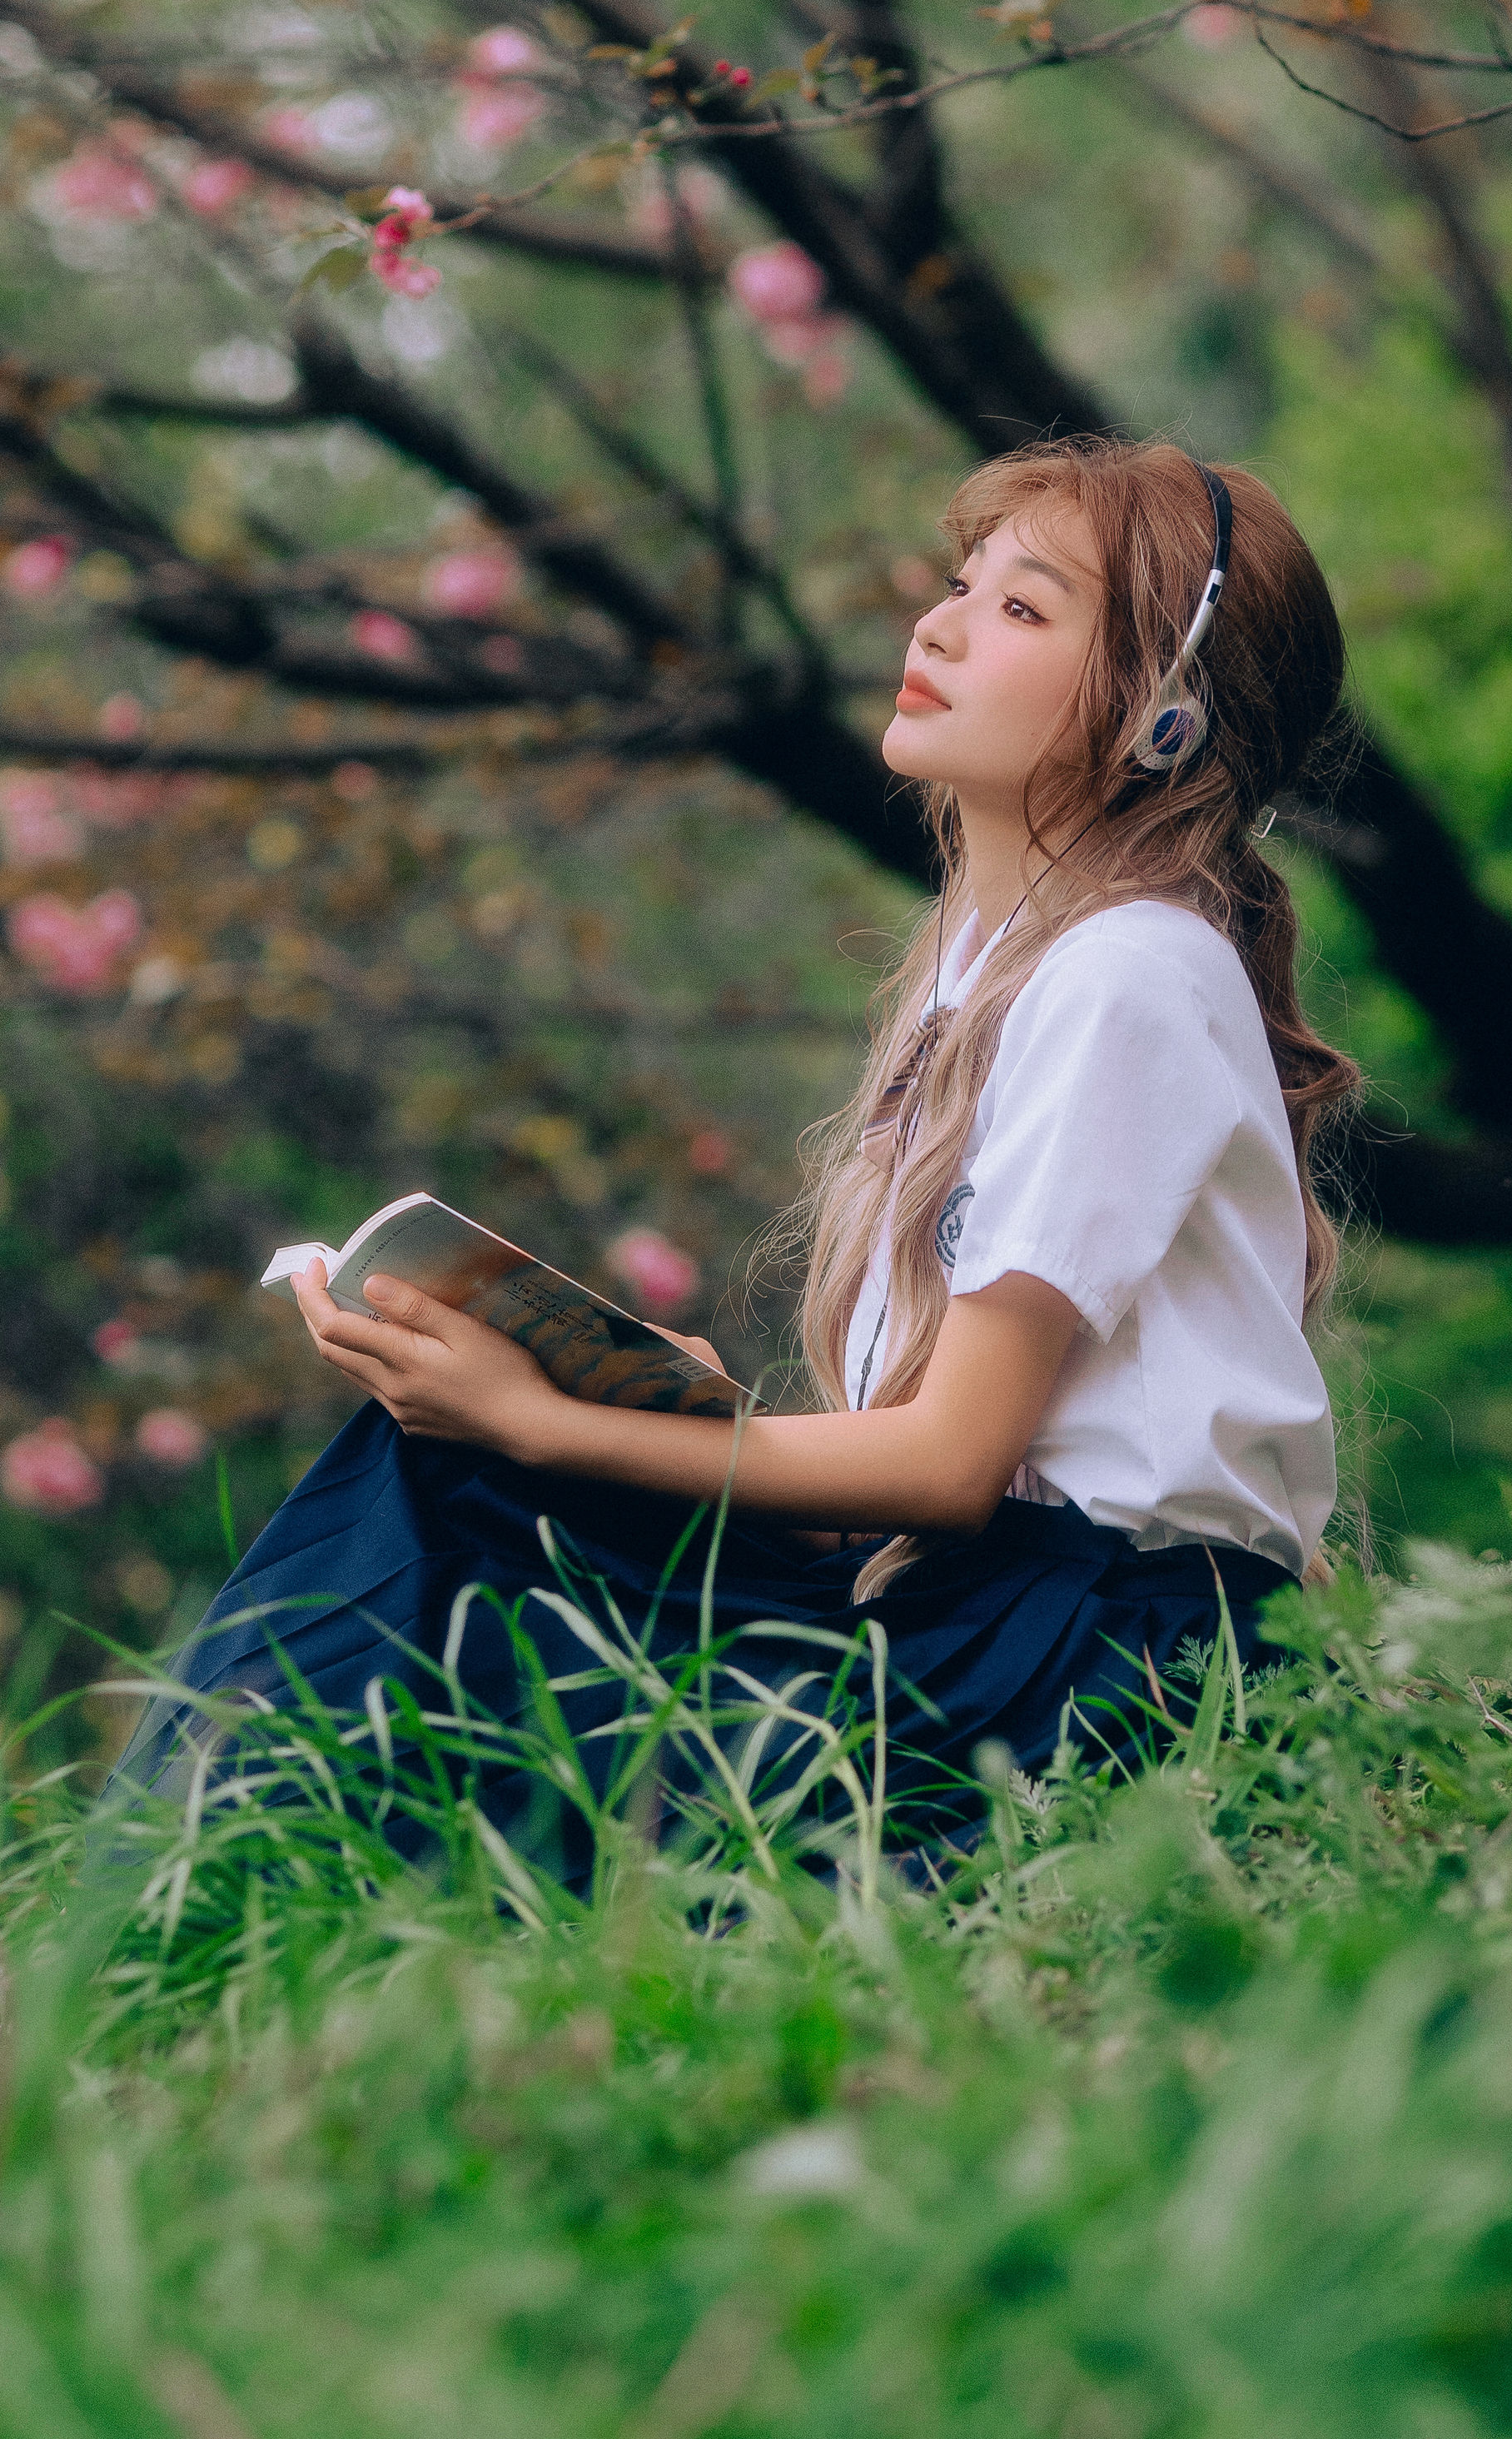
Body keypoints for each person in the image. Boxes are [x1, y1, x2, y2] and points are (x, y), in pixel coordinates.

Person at [107, 436, 1360, 1862]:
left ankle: (127, 1968)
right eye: (960, 585)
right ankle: (136, 1966)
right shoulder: (992, 968)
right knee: (464, 1487)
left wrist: (551, 1422)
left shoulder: (1131, 969)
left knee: (473, 1482)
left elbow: (955, 1469)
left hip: (1095, 1678)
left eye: (1024, 609)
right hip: (1001, 1624)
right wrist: (670, 1410)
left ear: (1166, 715)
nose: (938, 626)